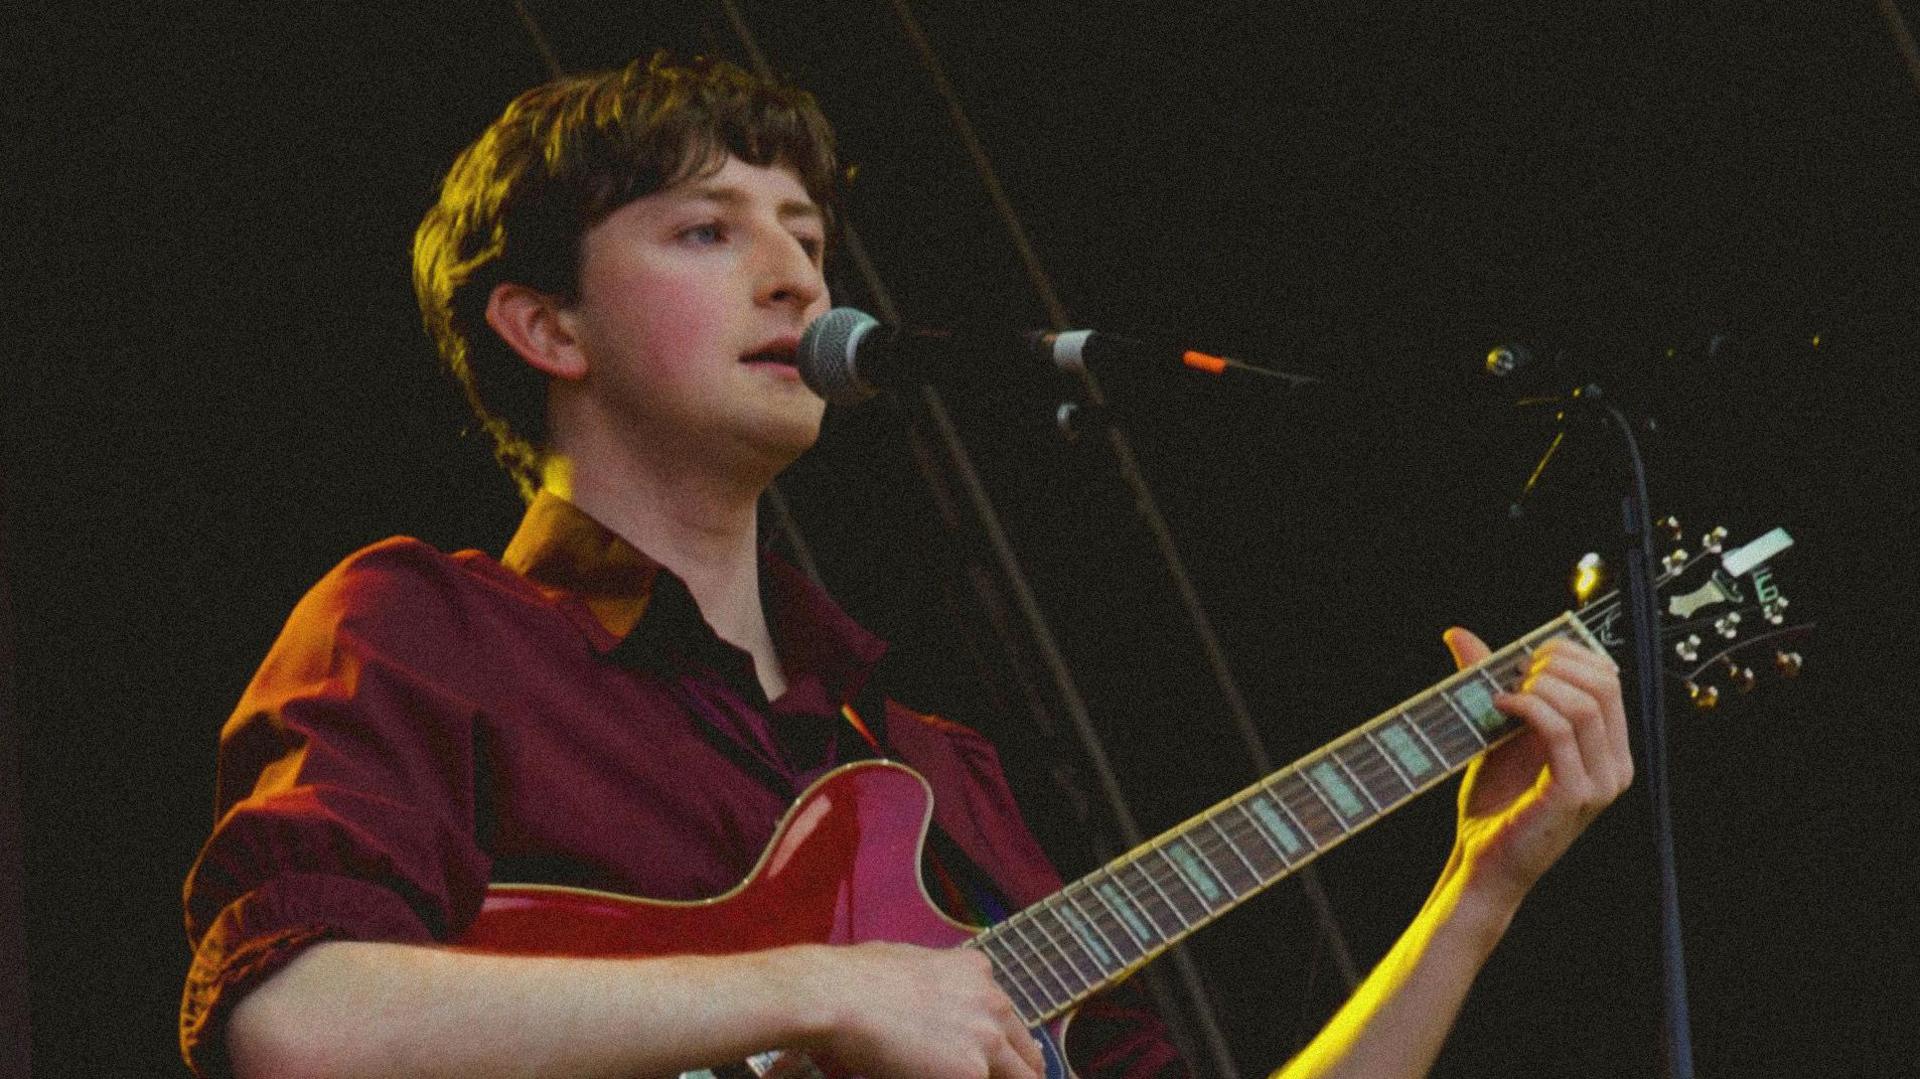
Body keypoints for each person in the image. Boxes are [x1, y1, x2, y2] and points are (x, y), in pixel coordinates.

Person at [179, 54, 1633, 1079]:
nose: (799, 277)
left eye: (807, 237)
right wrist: (828, 987)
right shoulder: (422, 625)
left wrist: (1477, 893)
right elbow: (296, 1027)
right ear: (547, 330)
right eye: (707, 231)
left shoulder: (932, 764)